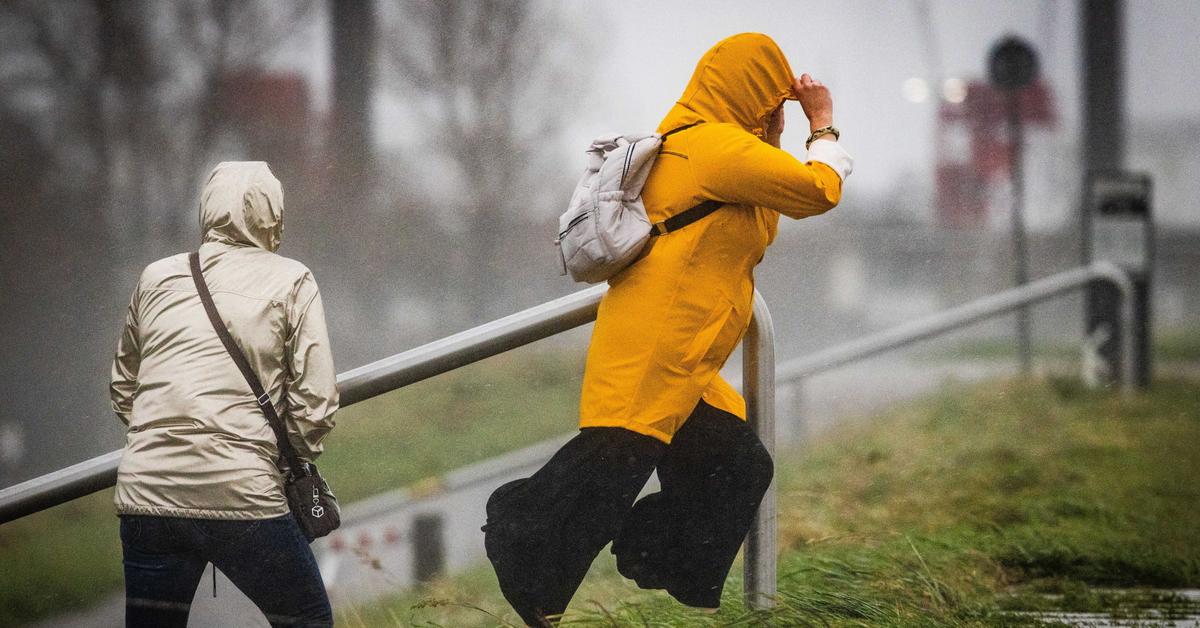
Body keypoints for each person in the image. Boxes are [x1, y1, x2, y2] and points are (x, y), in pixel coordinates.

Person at [482, 33, 853, 625]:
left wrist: (775, 138)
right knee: (606, 473)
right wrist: (823, 124)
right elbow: (816, 189)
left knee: (736, 464)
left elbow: (762, 225)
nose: (774, 110)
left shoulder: (711, 149)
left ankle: (645, 557)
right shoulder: (711, 148)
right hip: (656, 348)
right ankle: (522, 546)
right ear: (751, 91)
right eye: (771, 98)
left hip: (688, 359)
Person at [109, 161, 339, 627]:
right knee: (308, 620)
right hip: (242, 492)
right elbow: (316, 401)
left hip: (147, 491)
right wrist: (282, 459)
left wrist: (163, 441)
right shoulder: (292, 279)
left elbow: (122, 387)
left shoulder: (156, 277)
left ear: (207, 208)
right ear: (273, 213)